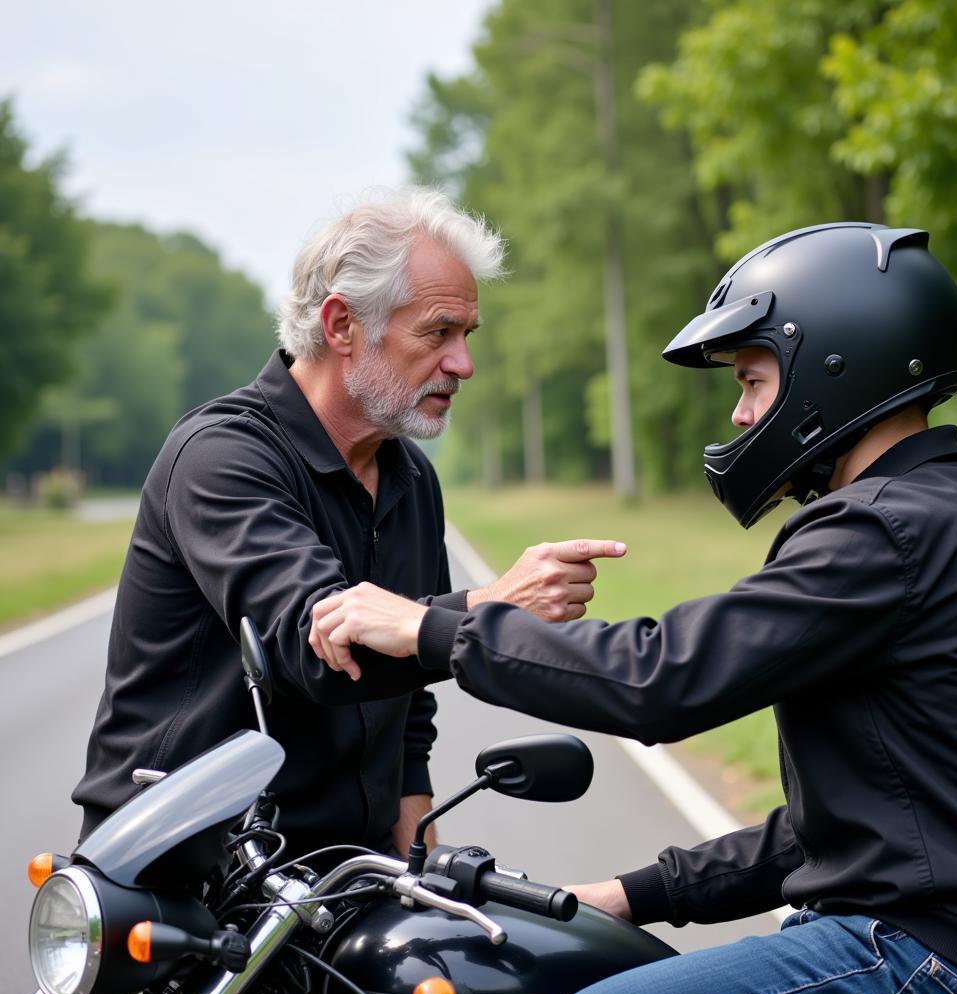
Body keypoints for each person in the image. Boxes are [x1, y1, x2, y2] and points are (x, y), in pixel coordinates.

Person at [306, 222, 957, 994]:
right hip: (930, 946)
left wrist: (428, 629)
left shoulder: (886, 532)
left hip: (917, 957)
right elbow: (862, 825)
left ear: (836, 367)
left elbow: (662, 677)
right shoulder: (949, 517)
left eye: (753, 381)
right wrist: (627, 896)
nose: (745, 416)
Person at [72, 187, 625, 860]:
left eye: (466, 336)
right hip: (177, 871)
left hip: (343, 873)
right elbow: (314, 653)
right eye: (438, 332)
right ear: (341, 326)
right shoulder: (222, 455)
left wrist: (415, 859)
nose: (463, 364)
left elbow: (409, 703)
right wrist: (494, 604)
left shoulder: (410, 477)